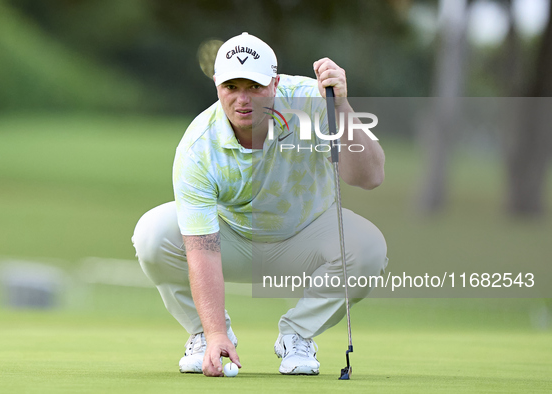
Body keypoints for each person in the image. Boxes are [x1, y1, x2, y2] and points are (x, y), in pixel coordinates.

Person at [132, 32, 388, 377]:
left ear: (275, 83)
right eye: (231, 87)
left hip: (307, 234)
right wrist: (216, 331)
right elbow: (202, 249)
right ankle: (205, 334)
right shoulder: (198, 147)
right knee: (152, 232)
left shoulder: (311, 100)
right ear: (216, 86)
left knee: (369, 246)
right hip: (233, 241)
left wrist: (341, 105)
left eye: (254, 87)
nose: (243, 99)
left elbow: (369, 176)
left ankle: (297, 335)